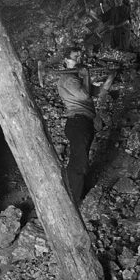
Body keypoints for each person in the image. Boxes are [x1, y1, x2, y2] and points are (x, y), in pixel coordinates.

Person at [56, 47, 114, 205]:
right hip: (78, 122)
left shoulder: (77, 78)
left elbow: (100, 92)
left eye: (81, 56)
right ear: (66, 61)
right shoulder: (68, 78)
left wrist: (111, 76)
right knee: (79, 162)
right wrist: (86, 75)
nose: (80, 59)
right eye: (76, 57)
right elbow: (85, 95)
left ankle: (74, 193)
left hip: (82, 123)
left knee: (79, 159)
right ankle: (71, 201)